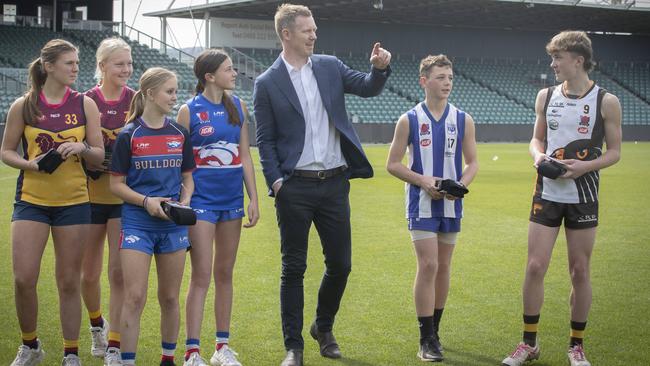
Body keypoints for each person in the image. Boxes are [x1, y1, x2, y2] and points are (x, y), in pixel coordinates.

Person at [253, 4, 392, 366]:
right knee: (293, 269)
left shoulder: (329, 66)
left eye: (314, 29)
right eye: (306, 30)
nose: (314, 35)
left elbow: (366, 87)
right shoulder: (267, 82)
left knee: (341, 265)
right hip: (294, 188)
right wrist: (277, 183)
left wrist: (379, 69)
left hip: (334, 184)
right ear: (287, 34)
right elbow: (264, 141)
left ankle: (323, 326)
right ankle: (293, 348)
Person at [501, 30, 622, 366]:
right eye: (552, 57)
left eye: (558, 58)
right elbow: (535, 140)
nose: (552, 64)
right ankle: (528, 343)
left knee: (580, 271)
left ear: (578, 60)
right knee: (535, 266)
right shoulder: (546, 96)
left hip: (583, 195)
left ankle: (576, 345)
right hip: (547, 191)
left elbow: (614, 153)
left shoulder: (606, 101)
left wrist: (585, 167)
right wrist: (538, 158)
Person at [1, 39, 104, 365]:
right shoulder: (24, 105)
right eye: (69, 63)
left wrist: (82, 149)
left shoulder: (85, 104)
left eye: (76, 62)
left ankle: (70, 353)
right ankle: (30, 346)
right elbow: (6, 151)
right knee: (23, 279)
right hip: (31, 200)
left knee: (69, 281)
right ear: (48, 67)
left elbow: (100, 154)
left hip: (74, 203)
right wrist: (32, 165)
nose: (76, 68)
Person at [386, 54, 478, 362]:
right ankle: (425, 338)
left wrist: (460, 186)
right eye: (440, 77)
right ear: (424, 81)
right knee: (428, 265)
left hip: (451, 206)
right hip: (421, 203)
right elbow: (393, 164)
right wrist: (423, 181)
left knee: (444, 267)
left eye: (450, 77)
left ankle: (435, 331)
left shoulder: (463, 119)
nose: (447, 83)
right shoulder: (408, 119)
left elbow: (473, 162)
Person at [177, 48, 259, 366]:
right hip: (201, 204)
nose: (234, 73)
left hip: (231, 203)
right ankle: (192, 352)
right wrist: (184, 199)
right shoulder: (189, 110)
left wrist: (252, 198)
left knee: (225, 273)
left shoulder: (237, 105)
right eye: (228, 69)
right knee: (201, 276)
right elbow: (182, 164)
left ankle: (221, 348)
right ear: (209, 76)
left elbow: (245, 156)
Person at [109, 67, 196, 366]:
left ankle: (168, 359)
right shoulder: (128, 135)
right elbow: (115, 184)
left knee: (170, 298)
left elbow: (188, 178)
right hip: (137, 223)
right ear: (149, 94)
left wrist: (184, 201)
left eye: (175, 91)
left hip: (172, 226)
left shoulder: (179, 134)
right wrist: (146, 201)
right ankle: (127, 361)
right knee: (134, 297)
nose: (175, 97)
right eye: (169, 91)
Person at [82, 36, 135, 364]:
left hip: (120, 198)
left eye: (129, 64)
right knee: (88, 275)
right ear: (102, 66)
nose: (126, 70)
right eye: (119, 64)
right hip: (86, 197)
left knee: (118, 273)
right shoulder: (85, 100)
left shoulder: (137, 99)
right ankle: (96, 326)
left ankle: (114, 344)